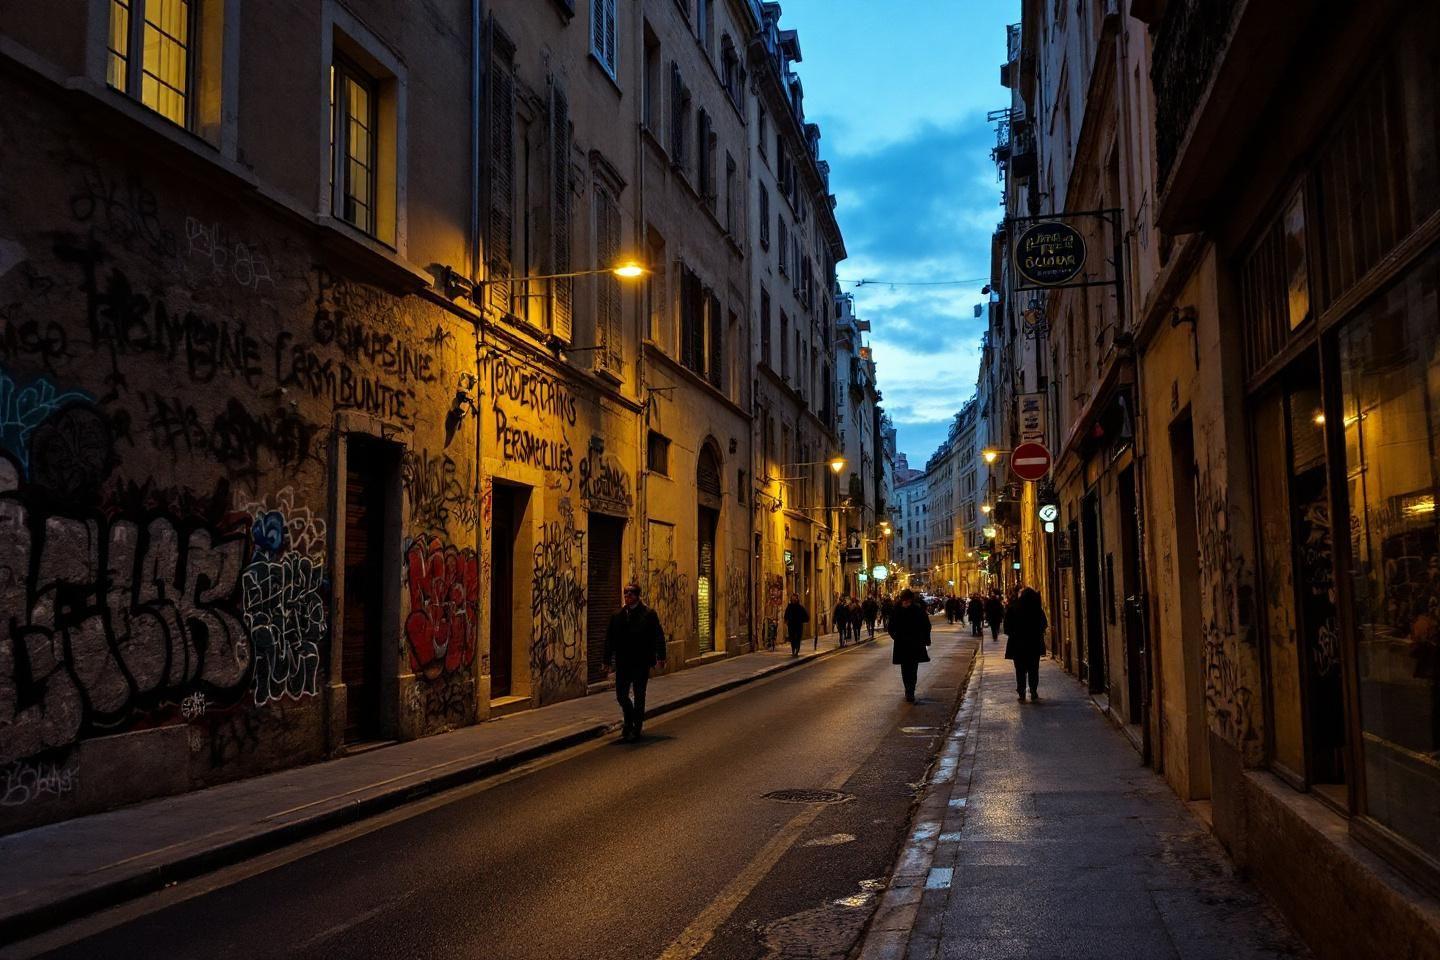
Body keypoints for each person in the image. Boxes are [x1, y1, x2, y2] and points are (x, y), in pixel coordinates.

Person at [604, 583, 668, 741]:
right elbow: (609, 639)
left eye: (631, 594)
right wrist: (606, 660)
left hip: (641, 661)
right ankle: (629, 718)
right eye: (625, 593)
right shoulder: (617, 615)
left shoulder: (648, 614)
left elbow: (658, 636)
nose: (627, 596)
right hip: (623, 662)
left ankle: (635, 728)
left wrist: (661, 656)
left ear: (637, 596)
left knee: (639, 695)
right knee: (621, 695)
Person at [1003, 586, 1048, 702]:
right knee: (1033, 669)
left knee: (1020, 670)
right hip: (1033, 644)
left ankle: (1021, 692)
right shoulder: (1037, 609)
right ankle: (1033, 691)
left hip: (1017, 645)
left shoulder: (1013, 608)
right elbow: (1044, 624)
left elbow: (1006, 628)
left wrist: (1014, 634)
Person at [888, 589, 932, 702]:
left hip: (914, 643)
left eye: (908, 600)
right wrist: (895, 636)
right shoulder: (897, 610)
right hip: (903, 644)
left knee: (913, 669)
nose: (906, 602)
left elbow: (926, 625)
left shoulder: (917, 610)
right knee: (905, 669)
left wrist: (926, 639)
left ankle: (910, 690)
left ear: (911, 600)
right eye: (904, 600)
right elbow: (890, 626)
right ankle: (908, 689)